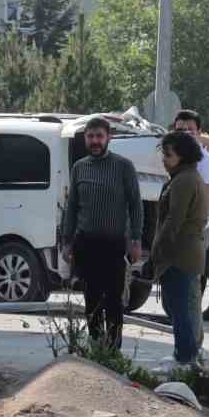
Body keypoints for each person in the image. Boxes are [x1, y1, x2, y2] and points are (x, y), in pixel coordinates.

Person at [62, 116, 144, 350]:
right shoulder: (79, 167)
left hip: (115, 244)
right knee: (92, 300)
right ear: (85, 139)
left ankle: (113, 350)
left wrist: (136, 240)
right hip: (86, 244)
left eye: (99, 136)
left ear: (109, 137)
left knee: (114, 301)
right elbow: (72, 208)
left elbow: (135, 205)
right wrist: (67, 242)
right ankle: (96, 348)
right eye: (90, 136)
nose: (95, 141)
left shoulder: (123, 166)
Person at [148, 131, 208, 368]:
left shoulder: (184, 180)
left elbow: (173, 221)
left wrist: (155, 255)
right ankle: (186, 356)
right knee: (178, 306)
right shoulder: (185, 176)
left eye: (168, 154)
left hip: (180, 255)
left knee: (181, 308)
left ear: (182, 156)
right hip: (181, 253)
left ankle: (185, 358)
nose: (164, 159)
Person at [171, 109, 209, 329]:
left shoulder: (202, 159)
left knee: (190, 287)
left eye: (190, 131)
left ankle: (191, 345)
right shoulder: (175, 156)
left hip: (193, 230)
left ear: (200, 133)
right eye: (180, 130)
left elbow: (206, 198)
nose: (185, 134)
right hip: (177, 228)